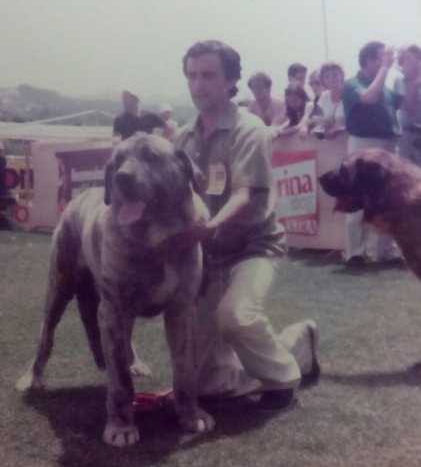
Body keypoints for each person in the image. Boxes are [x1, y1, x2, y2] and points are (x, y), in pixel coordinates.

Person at [173, 40, 319, 411]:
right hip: (208, 257)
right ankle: (299, 345)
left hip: (255, 247)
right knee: (208, 387)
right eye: (192, 75)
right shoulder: (182, 138)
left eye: (208, 75)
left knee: (235, 316)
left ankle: (285, 375)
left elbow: (243, 194)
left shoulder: (249, 128)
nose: (198, 84)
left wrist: (209, 227)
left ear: (231, 80)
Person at [342, 41, 419, 267]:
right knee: (357, 198)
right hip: (364, 145)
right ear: (369, 60)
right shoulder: (352, 83)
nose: (388, 61)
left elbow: (405, 104)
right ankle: (355, 253)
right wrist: (386, 67)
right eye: (381, 58)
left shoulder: (384, 86)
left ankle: (386, 252)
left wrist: (413, 80)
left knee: (390, 200)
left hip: (385, 146)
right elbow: (369, 98)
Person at [394, 44, 421, 167]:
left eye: (408, 57)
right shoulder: (398, 81)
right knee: (407, 175)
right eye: (401, 57)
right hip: (404, 137)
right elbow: (401, 107)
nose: (404, 60)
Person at [315, 61, 346, 140]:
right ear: (323, 80)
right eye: (327, 76)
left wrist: (337, 130)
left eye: (335, 75)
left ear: (341, 76)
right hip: (330, 145)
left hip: (348, 141)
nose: (331, 79)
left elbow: (357, 121)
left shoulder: (349, 94)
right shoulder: (324, 96)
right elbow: (319, 119)